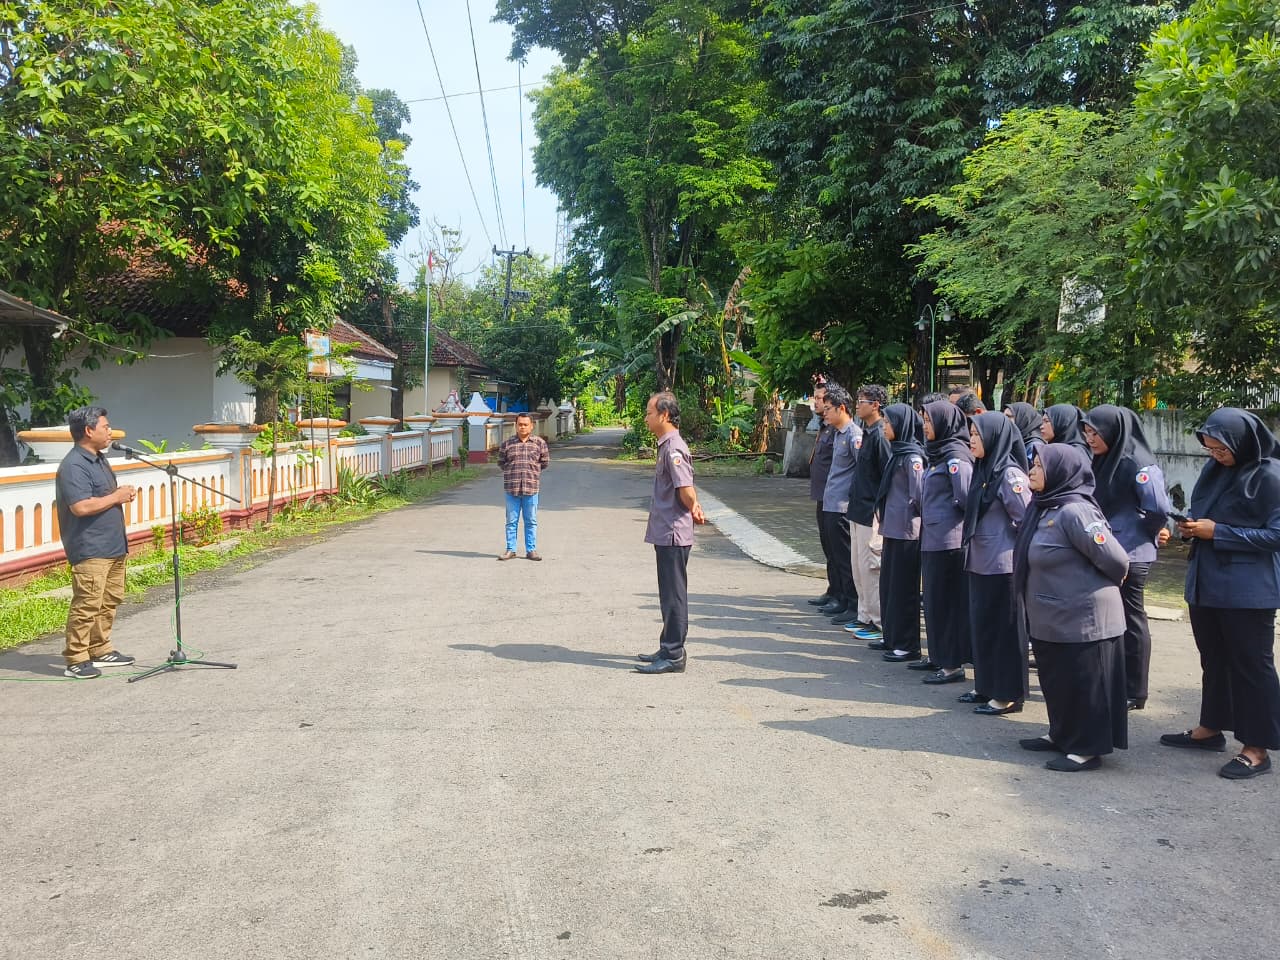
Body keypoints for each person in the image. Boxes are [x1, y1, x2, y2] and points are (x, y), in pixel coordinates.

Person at [1161, 408, 1280, 780]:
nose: (1215, 456)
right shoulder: (1215, 471)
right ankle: (1210, 728)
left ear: (1243, 444)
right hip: (1206, 583)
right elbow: (1207, 516)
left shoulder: (1270, 477)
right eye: (1209, 449)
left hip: (1248, 591)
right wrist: (1191, 528)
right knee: (1213, 660)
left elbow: (1275, 536)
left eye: (1221, 450)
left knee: (1251, 668)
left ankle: (1256, 749)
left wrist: (1218, 532)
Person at [1013, 446, 1131, 772]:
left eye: (1038, 465)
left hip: (1083, 617)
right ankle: (1062, 734)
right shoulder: (1043, 507)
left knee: (1084, 683)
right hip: (1051, 615)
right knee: (1058, 680)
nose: (1031, 470)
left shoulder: (1076, 512)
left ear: (1061, 472)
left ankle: (1086, 748)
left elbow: (1117, 560)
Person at [1082, 404, 1172, 710]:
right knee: (1109, 618)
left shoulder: (1140, 465)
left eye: (1096, 432)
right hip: (1106, 548)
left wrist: (1145, 532)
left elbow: (1158, 509)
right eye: (1087, 431)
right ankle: (1113, 679)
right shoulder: (1104, 460)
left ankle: (1135, 688)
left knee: (1132, 618)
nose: (1090, 438)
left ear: (1114, 432)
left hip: (1131, 553)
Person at [55, 405, 137, 679]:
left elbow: (102, 497)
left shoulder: (100, 459)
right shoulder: (73, 465)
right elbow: (80, 507)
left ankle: (100, 648)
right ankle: (76, 658)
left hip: (112, 544)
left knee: (109, 599)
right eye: (105, 427)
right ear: (89, 431)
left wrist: (120, 494)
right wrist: (116, 497)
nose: (110, 431)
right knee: (88, 602)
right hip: (90, 547)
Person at [961, 412, 1031, 715]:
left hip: (1003, 565)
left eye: (976, 435)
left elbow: (1026, 520)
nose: (971, 440)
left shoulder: (1010, 475)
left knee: (1005, 631)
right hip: (980, 561)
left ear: (993, 437)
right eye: (971, 434)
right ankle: (986, 685)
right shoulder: (984, 469)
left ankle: (1008, 693)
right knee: (983, 626)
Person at [636, 392, 708, 675]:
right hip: (666, 531)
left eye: (649, 413)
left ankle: (675, 653)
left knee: (674, 594)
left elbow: (685, 489)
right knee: (667, 593)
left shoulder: (674, 448)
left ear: (664, 415)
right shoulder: (666, 445)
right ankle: (668, 646)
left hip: (673, 533)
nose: (646, 417)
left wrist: (695, 507)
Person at [918, 399, 974, 685]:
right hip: (933, 538)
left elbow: (965, 497)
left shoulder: (955, 456)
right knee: (933, 602)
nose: (925, 426)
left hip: (949, 541)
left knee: (946, 603)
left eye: (929, 421)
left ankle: (952, 664)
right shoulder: (938, 454)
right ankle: (938, 656)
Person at [874, 403, 925, 663]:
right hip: (892, 529)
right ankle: (891, 635)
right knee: (889, 586)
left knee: (904, 590)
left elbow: (918, 496)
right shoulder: (898, 453)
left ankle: (907, 644)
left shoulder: (913, 457)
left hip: (907, 532)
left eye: (888, 423)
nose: (884, 427)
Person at [845, 384, 891, 639]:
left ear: (876, 405)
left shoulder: (881, 435)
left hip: (870, 511)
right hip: (857, 508)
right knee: (858, 567)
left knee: (871, 567)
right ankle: (864, 615)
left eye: (862, 401)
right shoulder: (867, 432)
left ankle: (877, 620)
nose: (858, 405)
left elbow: (886, 476)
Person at [815, 384, 861, 619]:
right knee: (834, 553)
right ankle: (841, 597)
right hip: (831, 503)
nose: (825, 412)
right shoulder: (838, 435)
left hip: (842, 506)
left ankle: (852, 603)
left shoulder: (854, 436)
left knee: (845, 558)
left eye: (829, 408)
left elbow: (861, 472)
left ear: (841, 408)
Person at [497, 412, 550, 561]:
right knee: (511, 521)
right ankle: (511, 549)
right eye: (520, 424)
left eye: (525, 424)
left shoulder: (539, 443)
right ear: (516, 425)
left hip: (531, 488)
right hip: (511, 488)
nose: (522, 427)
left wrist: (532, 472)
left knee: (531, 520)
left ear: (531, 426)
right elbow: (501, 462)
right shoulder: (507, 444)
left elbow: (544, 462)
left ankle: (531, 550)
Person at [806, 382, 840, 607]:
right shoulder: (823, 426)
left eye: (820, 399)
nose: (817, 402)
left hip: (834, 497)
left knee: (837, 549)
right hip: (822, 495)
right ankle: (832, 589)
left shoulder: (838, 430)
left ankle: (841, 594)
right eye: (816, 398)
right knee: (827, 545)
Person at [1004, 401, 1043, 468]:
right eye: (1004, 416)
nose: (1004, 420)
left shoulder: (1034, 446)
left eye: (1009, 417)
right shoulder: (1015, 439)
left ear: (1023, 419)